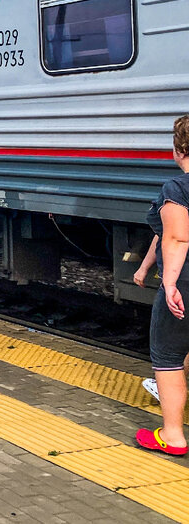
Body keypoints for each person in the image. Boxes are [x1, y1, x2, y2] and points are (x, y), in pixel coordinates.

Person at [135, 115, 189, 457]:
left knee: (168, 356)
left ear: (179, 148)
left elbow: (176, 237)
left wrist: (168, 283)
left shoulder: (177, 188)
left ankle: (173, 436)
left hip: (185, 282)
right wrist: (143, 268)